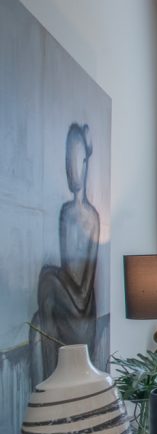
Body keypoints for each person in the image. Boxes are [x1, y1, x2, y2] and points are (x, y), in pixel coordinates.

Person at [31, 123, 100, 383]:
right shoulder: (64, 213)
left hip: (82, 306)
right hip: (66, 302)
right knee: (39, 317)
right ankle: (50, 378)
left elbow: (84, 288)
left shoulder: (92, 217)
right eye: (67, 161)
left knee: (47, 278)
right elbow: (66, 267)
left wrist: (55, 281)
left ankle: (50, 380)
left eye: (77, 161)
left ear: (85, 164)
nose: (72, 169)